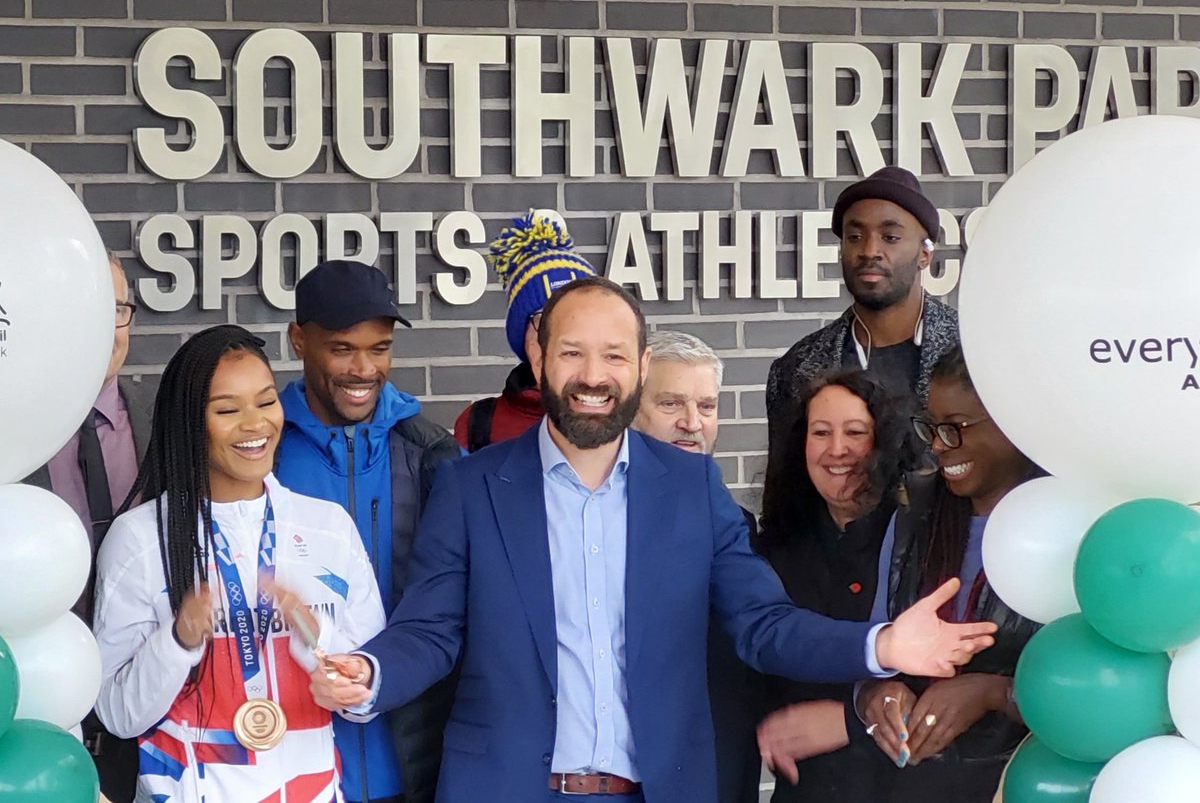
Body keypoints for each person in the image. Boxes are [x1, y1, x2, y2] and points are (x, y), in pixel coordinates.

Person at [309, 276, 997, 803]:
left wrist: (882, 645)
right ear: (540, 358)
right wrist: (370, 673)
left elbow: (763, 624)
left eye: (613, 355)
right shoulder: (472, 485)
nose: (593, 375)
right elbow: (429, 631)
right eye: (572, 352)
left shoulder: (692, 488)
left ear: (639, 366)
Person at [93, 325, 385, 803]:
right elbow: (117, 715)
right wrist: (178, 641)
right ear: (189, 422)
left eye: (266, 401)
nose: (255, 424)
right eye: (228, 410)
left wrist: (318, 643)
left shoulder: (328, 527)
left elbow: (365, 702)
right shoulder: (140, 539)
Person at [277, 259, 462, 803]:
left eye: (379, 349)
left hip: (408, 762)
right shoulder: (263, 452)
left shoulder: (430, 454)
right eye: (342, 349)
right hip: (289, 759)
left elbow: (449, 612)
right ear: (298, 340)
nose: (364, 369)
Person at [856, 345, 1041, 802]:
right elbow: (874, 650)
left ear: (1012, 424)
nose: (938, 445)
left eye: (955, 427)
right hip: (916, 786)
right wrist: (878, 697)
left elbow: (1091, 698)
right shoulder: (912, 517)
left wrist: (995, 694)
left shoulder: (1063, 529)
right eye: (933, 427)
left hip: (1024, 781)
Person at [23, 250, 153, 803]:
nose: (102, 327)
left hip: (151, 711)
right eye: (83, 306)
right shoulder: (14, 433)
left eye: (116, 309)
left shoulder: (165, 421)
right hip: (41, 712)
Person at [756, 371, 922, 801]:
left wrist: (851, 720)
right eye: (821, 432)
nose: (836, 449)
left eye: (855, 432)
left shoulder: (921, 536)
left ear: (885, 441)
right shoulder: (774, 547)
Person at [631, 330, 758, 803]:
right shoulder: (588, 520)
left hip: (715, 768)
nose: (692, 423)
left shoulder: (738, 526)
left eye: (706, 406)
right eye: (671, 404)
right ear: (630, 410)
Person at [766, 166, 959, 438]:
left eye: (890, 238)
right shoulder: (798, 368)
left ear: (925, 255)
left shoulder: (972, 349)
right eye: (855, 237)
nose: (869, 251)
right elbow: (785, 465)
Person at [455, 210, 594, 451]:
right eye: (545, 318)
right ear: (524, 338)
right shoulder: (479, 425)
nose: (567, 332)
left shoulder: (624, 413)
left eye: (583, 316)